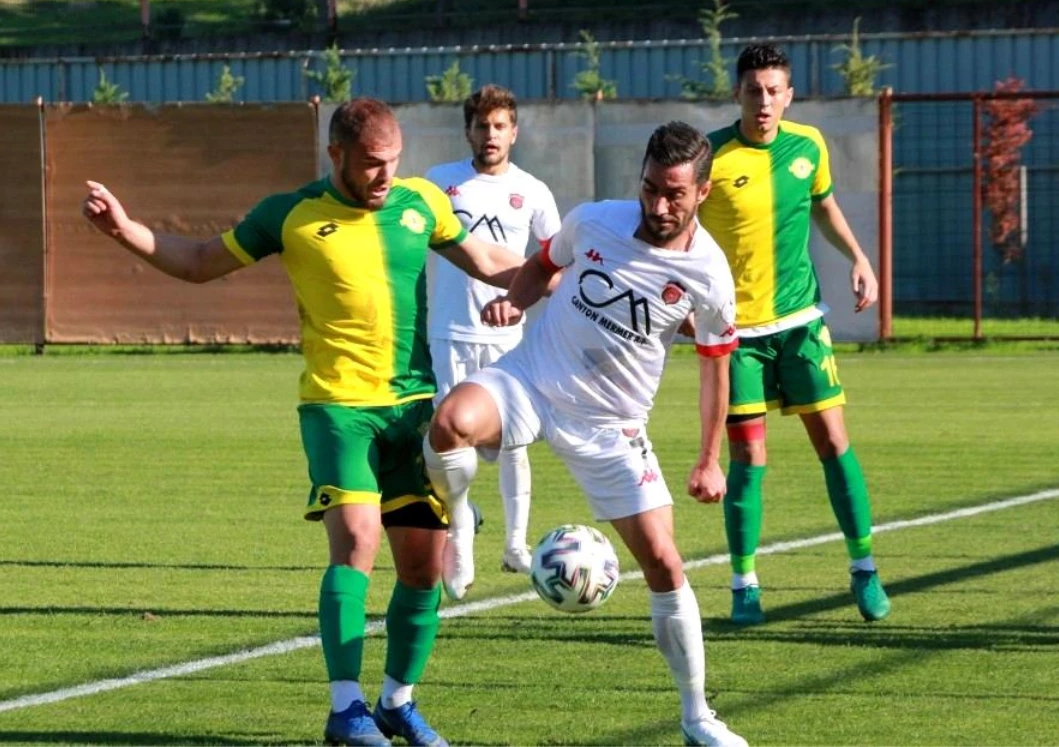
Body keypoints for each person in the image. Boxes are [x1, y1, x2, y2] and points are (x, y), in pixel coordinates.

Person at [81, 97, 525, 747]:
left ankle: (397, 700)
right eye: (373, 165)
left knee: (424, 568)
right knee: (357, 538)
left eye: (393, 163)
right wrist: (126, 230)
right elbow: (203, 260)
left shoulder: (420, 203)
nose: (385, 176)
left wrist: (563, 273)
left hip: (412, 409)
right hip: (336, 409)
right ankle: (345, 707)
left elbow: (489, 262)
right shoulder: (289, 215)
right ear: (336, 154)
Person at [424, 121, 748, 747]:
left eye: (674, 194)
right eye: (650, 187)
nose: (658, 205)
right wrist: (518, 302)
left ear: (702, 193)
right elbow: (544, 263)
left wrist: (711, 459)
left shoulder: (709, 275)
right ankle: (460, 523)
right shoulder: (595, 219)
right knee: (449, 423)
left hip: (610, 427)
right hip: (531, 379)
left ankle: (697, 716)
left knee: (663, 563)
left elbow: (716, 371)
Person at [697, 42, 891, 626]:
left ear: (788, 95)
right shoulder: (710, 156)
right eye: (753, 90)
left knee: (833, 442)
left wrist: (858, 256)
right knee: (748, 456)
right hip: (736, 334)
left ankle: (864, 570)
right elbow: (678, 230)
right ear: (737, 93)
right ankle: (744, 586)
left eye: (773, 91)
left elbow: (824, 206)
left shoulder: (809, 146)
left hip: (802, 323)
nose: (763, 102)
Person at [425, 84, 561, 592]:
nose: (490, 134)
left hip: (508, 339)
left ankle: (515, 546)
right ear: (468, 131)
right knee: (443, 445)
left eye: (500, 125)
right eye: (482, 125)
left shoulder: (534, 191)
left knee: (514, 445)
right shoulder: (439, 185)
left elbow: (556, 263)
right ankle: (460, 525)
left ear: (514, 132)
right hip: (449, 333)